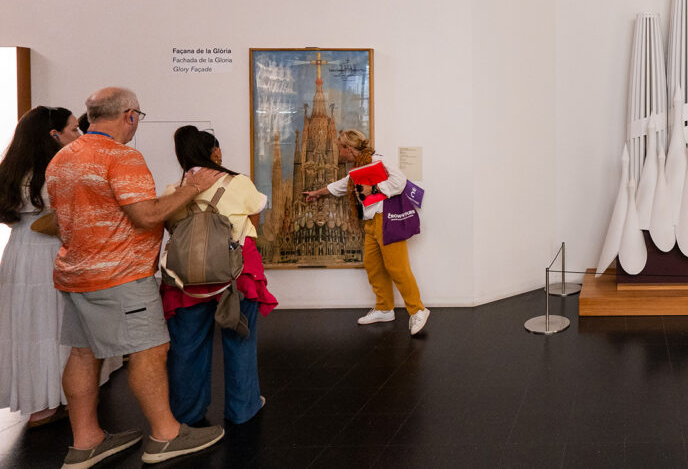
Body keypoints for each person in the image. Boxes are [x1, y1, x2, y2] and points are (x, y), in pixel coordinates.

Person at [46, 88, 225, 468]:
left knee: (82, 354)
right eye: (137, 117)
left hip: (76, 274)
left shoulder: (61, 158)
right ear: (129, 115)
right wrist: (194, 188)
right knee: (150, 352)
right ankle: (165, 436)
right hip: (121, 275)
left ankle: (86, 441)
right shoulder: (122, 157)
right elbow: (146, 216)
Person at [0, 106, 121, 428]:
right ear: (53, 135)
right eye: (72, 129)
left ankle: (39, 401)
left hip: (19, 253)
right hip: (55, 251)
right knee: (61, 325)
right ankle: (67, 395)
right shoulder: (61, 169)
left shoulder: (11, 170)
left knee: (28, 326)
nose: (78, 135)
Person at [161, 126, 277, 426]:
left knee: (187, 346)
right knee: (239, 338)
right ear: (215, 153)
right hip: (236, 272)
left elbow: (170, 227)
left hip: (187, 276)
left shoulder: (174, 190)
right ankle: (243, 408)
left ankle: (188, 414)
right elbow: (255, 219)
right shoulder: (238, 182)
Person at [304, 129, 430, 336]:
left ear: (348, 148)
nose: (339, 153)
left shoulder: (377, 161)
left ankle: (418, 310)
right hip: (372, 222)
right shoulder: (359, 167)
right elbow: (344, 184)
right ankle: (384, 308)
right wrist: (318, 193)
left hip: (387, 219)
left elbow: (400, 181)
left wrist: (374, 189)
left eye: (340, 148)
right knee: (374, 266)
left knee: (397, 268)